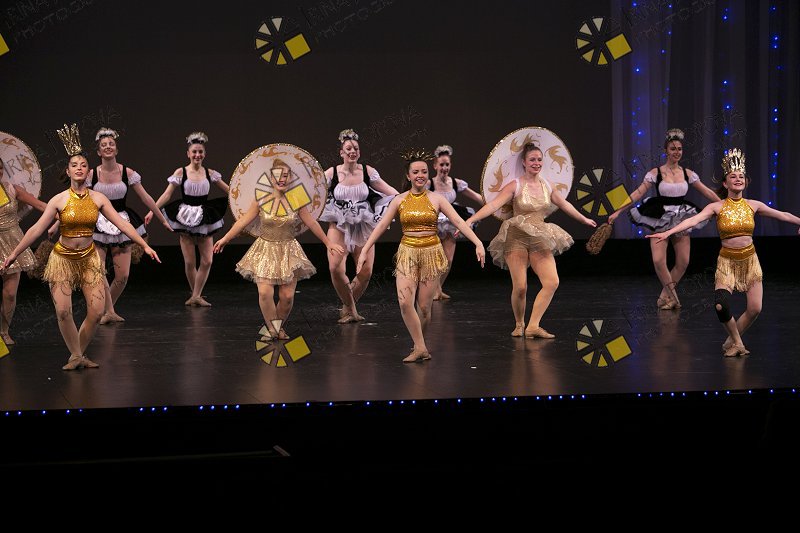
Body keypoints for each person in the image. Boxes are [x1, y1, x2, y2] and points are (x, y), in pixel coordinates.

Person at [1, 124, 160, 370]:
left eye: (83, 165)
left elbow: (122, 224)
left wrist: (144, 245)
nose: (79, 168)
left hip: (89, 260)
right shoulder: (59, 200)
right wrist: (13, 254)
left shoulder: (98, 198)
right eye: (74, 165)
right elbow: (36, 230)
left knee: (96, 312)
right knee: (63, 312)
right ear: (68, 170)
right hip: (62, 260)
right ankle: (76, 356)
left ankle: (77, 354)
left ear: (88, 171)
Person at [648, 148, 800, 357]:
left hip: (750, 261)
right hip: (727, 262)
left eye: (741, 177)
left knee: (755, 308)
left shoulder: (753, 205)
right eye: (733, 176)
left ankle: (731, 340)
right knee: (721, 305)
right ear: (725, 183)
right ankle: (737, 343)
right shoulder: (717, 207)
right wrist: (668, 232)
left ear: (745, 182)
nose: (738, 179)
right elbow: (693, 220)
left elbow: (782, 215)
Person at [357, 151, 485, 363]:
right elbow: (381, 226)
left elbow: (458, 221)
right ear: (408, 176)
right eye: (415, 172)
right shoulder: (399, 200)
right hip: (408, 253)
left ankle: (419, 345)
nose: (420, 175)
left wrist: (478, 243)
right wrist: (364, 250)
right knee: (405, 303)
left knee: (425, 308)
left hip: (431, 254)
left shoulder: (437, 199)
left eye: (424, 172)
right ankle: (420, 347)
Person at [465, 143, 596, 338]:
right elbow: (493, 205)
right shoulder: (515, 185)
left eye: (539, 160)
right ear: (524, 163)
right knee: (520, 287)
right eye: (532, 160)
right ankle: (519, 323)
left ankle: (533, 326)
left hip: (538, 236)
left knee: (552, 282)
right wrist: (471, 220)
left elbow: (564, 204)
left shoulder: (547, 185)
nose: (536, 163)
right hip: (516, 237)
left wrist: (583, 219)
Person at [213, 159, 345, 339]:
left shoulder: (297, 197)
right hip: (265, 249)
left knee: (287, 297)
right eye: (278, 175)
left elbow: (312, 223)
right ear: (271, 178)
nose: (282, 179)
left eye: (285, 175)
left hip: (288, 250)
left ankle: (275, 328)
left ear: (290, 178)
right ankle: (273, 330)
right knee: (264, 292)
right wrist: (225, 239)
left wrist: (328, 243)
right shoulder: (261, 198)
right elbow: (243, 222)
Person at [608, 128, 720, 310]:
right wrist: (618, 211)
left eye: (679, 149)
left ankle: (664, 297)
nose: (677, 152)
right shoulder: (656, 173)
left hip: (681, 217)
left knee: (683, 262)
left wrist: (725, 205)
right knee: (659, 260)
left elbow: (707, 191)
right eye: (673, 149)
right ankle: (674, 298)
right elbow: (638, 193)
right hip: (659, 216)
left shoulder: (688, 173)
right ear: (666, 151)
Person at [88, 128, 172, 323]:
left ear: (116, 149)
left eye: (111, 144)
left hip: (122, 222)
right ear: (99, 152)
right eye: (103, 145)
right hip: (98, 224)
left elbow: (146, 197)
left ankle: (108, 310)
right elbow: (76, 198)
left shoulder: (127, 172)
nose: (108, 147)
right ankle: (107, 311)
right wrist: (57, 223)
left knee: (123, 275)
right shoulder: (91, 174)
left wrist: (162, 219)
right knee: (99, 271)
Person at [320, 129, 399, 323]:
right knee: (335, 268)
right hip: (339, 224)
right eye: (348, 148)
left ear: (359, 152)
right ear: (341, 152)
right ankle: (350, 309)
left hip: (363, 224)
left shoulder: (367, 171)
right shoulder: (331, 173)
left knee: (366, 270)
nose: (352, 151)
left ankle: (348, 308)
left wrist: (408, 199)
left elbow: (390, 191)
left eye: (355, 148)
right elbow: (314, 193)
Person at [147, 132, 229, 306]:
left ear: (204, 154)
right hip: (185, 216)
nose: (197, 155)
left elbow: (230, 191)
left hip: (204, 216)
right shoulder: (181, 172)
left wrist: (244, 200)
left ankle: (196, 296)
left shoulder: (210, 173)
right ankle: (196, 296)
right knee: (190, 261)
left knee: (207, 260)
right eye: (194, 152)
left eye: (200, 152)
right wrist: (153, 210)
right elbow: (167, 194)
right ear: (188, 154)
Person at [0, 158, 47, 345]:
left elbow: (42, 206)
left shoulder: (12, 189)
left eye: (0, 168)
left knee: (10, 293)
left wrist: (65, 212)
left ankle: (4, 331)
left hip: (13, 243)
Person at [427, 144, 484, 300]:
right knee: (435, 259)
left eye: (447, 164)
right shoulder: (429, 184)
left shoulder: (455, 183)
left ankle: (438, 289)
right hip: (434, 222)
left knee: (448, 259)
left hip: (450, 222)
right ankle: (433, 290)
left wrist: (494, 203)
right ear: (435, 166)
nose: (444, 168)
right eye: (441, 165)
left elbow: (476, 197)